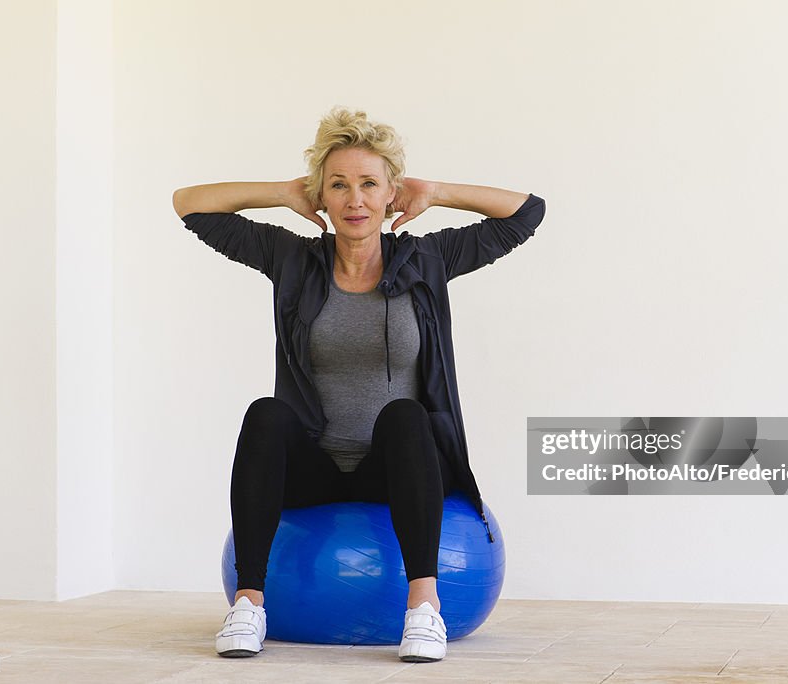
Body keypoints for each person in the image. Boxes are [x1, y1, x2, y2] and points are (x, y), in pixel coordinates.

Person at [172, 107, 545, 663]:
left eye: (370, 184)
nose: (355, 200)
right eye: (338, 185)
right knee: (266, 413)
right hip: (315, 469)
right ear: (321, 195)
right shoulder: (293, 258)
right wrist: (283, 192)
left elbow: (525, 214)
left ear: (392, 192)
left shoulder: (427, 259)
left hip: (398, 469)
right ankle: (248, 604)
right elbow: (190, 204)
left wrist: (436, 191)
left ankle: (423, 609)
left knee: (404, 414)